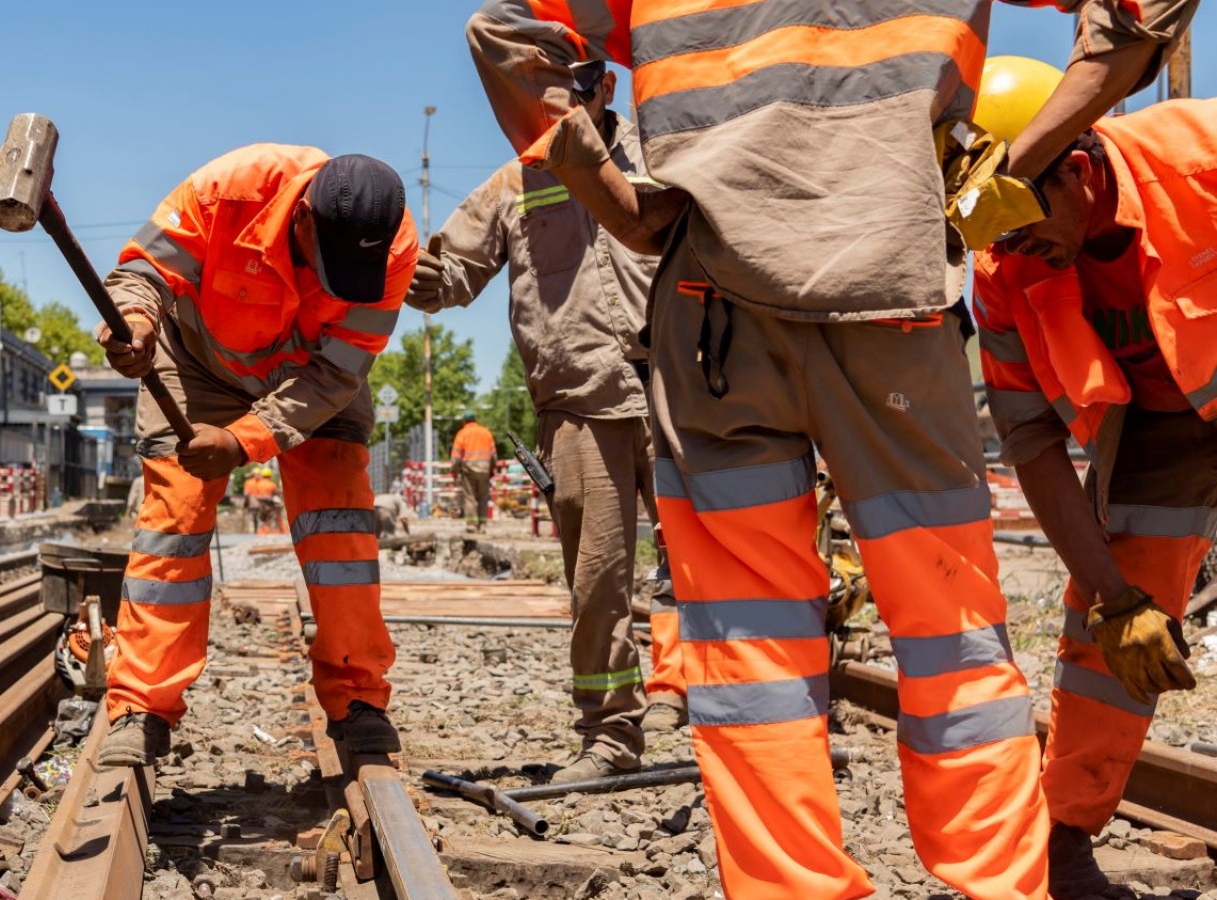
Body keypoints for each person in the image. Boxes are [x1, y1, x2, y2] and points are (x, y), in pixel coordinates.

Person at [464, 0, 1194, 896]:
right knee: (949, 626)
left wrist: (618, 203)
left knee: (750, 646)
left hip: (713, 310)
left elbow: (504, 30)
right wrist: (1023, 154)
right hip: (889, 290)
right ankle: (1004, 884)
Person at [94, 145, 417, 768]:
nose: (334, 285)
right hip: (195, 359)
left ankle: (359, 701)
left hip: (315, 378)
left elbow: (336, 374)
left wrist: (245, 439)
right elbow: (143, 274)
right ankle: (142, 707)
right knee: (174, 520)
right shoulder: (227, 192)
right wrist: (133, 320)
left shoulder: (394, 245)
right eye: (331, 268)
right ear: (303, 221)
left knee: (340, 522)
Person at [408, 58, 684, 783]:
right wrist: (404, 265)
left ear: (606, 88)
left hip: (686, 388)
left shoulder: (662, 154)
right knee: (599, 582)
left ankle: (749, 718)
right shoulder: (515, 182)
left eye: (573, 91)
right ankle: (611, 735)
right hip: (582, 399)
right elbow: (452, 277)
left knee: (725, 569)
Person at [974, 82, 1217, 898]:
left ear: (1075, 172)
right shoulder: (1003, 269)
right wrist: (1118, 598)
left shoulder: (1204, 155)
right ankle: (1065, 845)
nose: (1012, 250)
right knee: (1105, 642)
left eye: (1019, 226)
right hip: (1161, 423)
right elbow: (1031, 439)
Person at [448, 412, 495, 532]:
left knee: (470, 498)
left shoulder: (462, 434)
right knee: (484, 498)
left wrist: (454, 471)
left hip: (469, 471)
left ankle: (472, 525)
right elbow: (493, 455)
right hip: (484, 470)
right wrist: (491, 469)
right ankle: (483, 525)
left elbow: (456, 456)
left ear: (464, 421)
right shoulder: (486, 432)